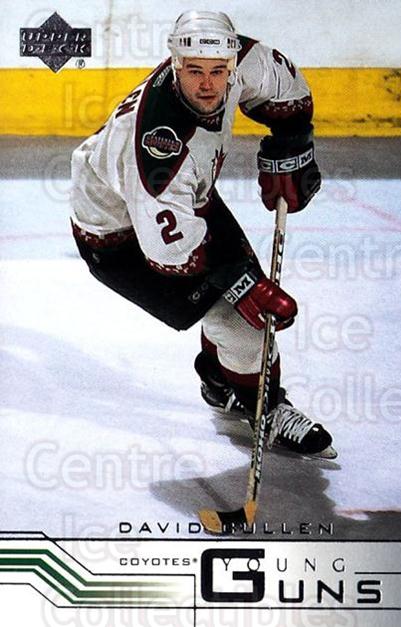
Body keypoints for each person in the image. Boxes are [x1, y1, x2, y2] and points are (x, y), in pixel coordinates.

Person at [70, 10, 336, 458]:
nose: (208, 85)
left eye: (217, 71)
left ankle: (218, 380)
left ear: (232, 63)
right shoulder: (160, 152)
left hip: (181, 205)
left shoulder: (243, 60)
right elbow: (172, 255)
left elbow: (287, 91)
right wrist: (240, 283)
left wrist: (292, 142)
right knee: (243, 323)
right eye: (194, 71)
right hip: (120, 237)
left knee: (245, 305)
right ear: (175, 64)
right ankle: (265, 407)